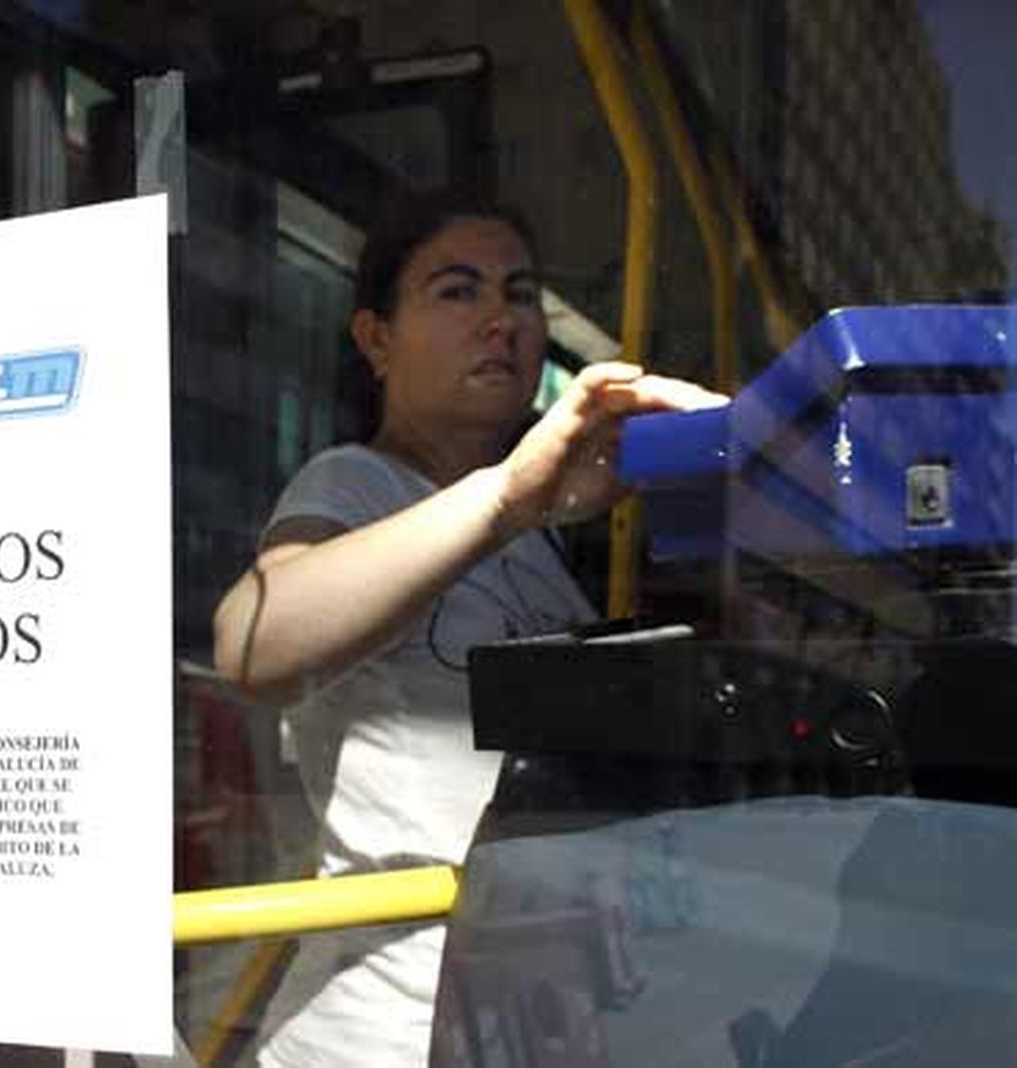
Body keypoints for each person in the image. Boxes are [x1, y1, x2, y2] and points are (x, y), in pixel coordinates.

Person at [211, 191, 724, 1067]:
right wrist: (507, 499)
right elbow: (254, 645)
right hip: (387, 1029)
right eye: (457, 291)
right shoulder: (354, 483)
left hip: (522, 1015)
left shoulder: (535, 536)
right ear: (377, 340)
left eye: (520, 294)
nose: (501, 320)